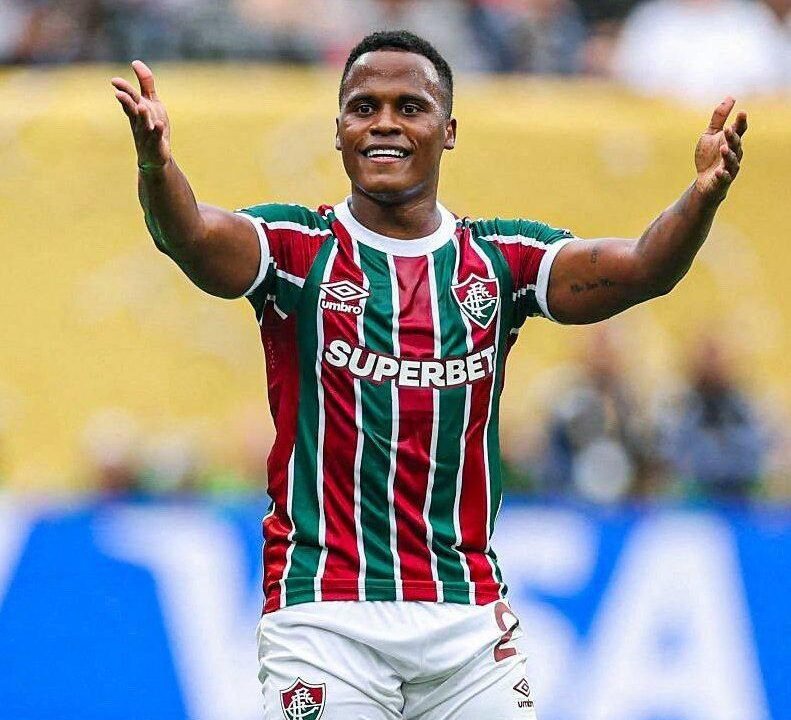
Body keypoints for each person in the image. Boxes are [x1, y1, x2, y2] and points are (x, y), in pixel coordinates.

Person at [110, 30, 747, 719]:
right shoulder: (298, 250)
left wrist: (701, 197)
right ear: (338, 130)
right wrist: (156, 167)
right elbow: (192, 238)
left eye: (409, 107)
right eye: (364, 107)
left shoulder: (500, 261)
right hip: (325, 616)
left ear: (448, 131)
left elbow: (643, 268)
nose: (384, 123)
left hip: (466, 620)